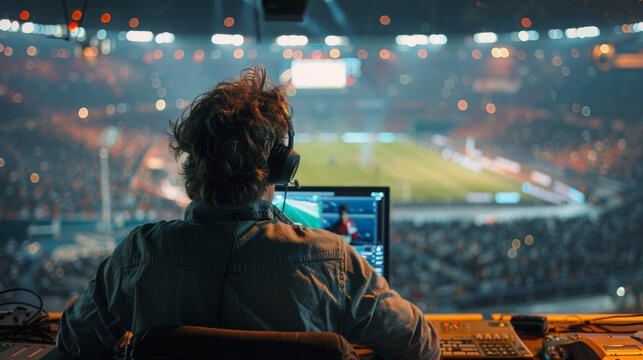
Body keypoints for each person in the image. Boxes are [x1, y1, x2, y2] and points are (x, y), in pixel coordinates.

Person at [56, 65, 440, 360]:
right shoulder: (333, 260)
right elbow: (422, 346)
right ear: (279, 167)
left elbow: (73, 344)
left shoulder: (137, 256)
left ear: (190, 166)